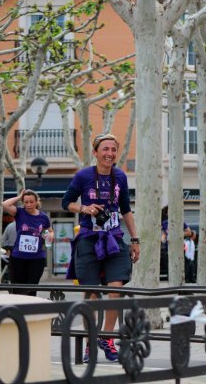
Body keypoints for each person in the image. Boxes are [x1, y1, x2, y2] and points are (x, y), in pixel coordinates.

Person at [62, 133, 140, 363]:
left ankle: (106, 337)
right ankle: (89, 342)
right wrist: (84, 209)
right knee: (92, 294)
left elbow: (126, 209)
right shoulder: (83, 176)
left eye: (113, 150)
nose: (110, 154)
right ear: (95, 152)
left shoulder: (120, 176)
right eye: (105, 149)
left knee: (116, 289)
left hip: (114, 239)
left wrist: (135, 239)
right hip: (88, 240)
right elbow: (66, 203)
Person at [2, 189, 53, 296]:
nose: (29, 204)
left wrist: (51, 235)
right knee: (18, 289)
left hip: (36, 258)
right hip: (18, 257)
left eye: (31, 202)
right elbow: (5, 204)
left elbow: (50, 230)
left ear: (36, 202)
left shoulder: (43, 217)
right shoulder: (19, 212)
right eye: (26, 202)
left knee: (32, 289)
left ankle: (30, 311)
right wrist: (19, 196)